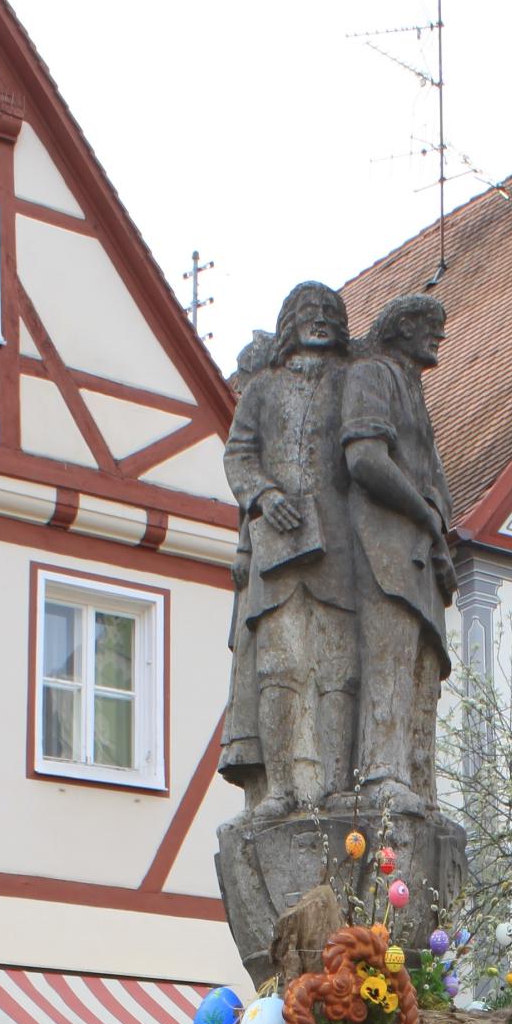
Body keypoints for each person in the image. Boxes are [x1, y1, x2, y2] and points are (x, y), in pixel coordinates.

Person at [219, 283, 357, 812]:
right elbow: (239, 453)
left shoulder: (349, 383)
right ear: (288, 323)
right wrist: (264, 494)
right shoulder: (263, 389)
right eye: (307, 311)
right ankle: (278, 787)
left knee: (339, 668)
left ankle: (339, 784)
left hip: (337, 547)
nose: (318, 319)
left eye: (328, 312)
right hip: (276, 547)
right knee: (278, 668)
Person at [342, 292, 457, 808]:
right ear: (401, 328)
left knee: (422, 670)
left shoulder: (416, 390)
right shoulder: (372, 375)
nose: (439, 335)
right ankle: (381, 773)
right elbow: (365, 458)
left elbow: (436, 477)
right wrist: (421, 511)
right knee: (388, 652)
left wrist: (435, 513)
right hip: (384, 541)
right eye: (429, 324)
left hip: (419, 551)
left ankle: (417, 780)